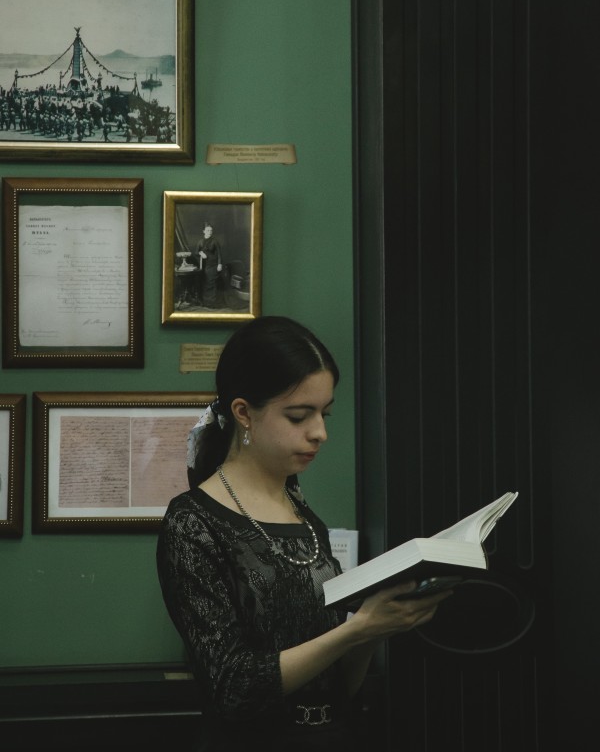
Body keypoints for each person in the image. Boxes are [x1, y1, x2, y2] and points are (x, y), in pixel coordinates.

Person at [156, 316, 452, 751]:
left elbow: (338, 688)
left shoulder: (302, 514)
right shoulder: (192, 522)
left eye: (324, 413)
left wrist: (374, 628)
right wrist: (355, 630)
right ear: (244, 413)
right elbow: (233, 689)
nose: (320, 433)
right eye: (299, 416)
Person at [195, 222, 222, 308]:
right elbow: (196, 252)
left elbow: (219, 254)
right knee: (205, 282)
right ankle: (206, 302)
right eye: (208, 230)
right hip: (204, 265)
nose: (210, 232)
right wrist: (201, 253)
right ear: (203, 231)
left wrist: (219, 264)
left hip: (213, 265)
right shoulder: (200, 241)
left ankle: (212, 303)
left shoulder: (215, 241)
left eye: (211, 230)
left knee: (212, 283)